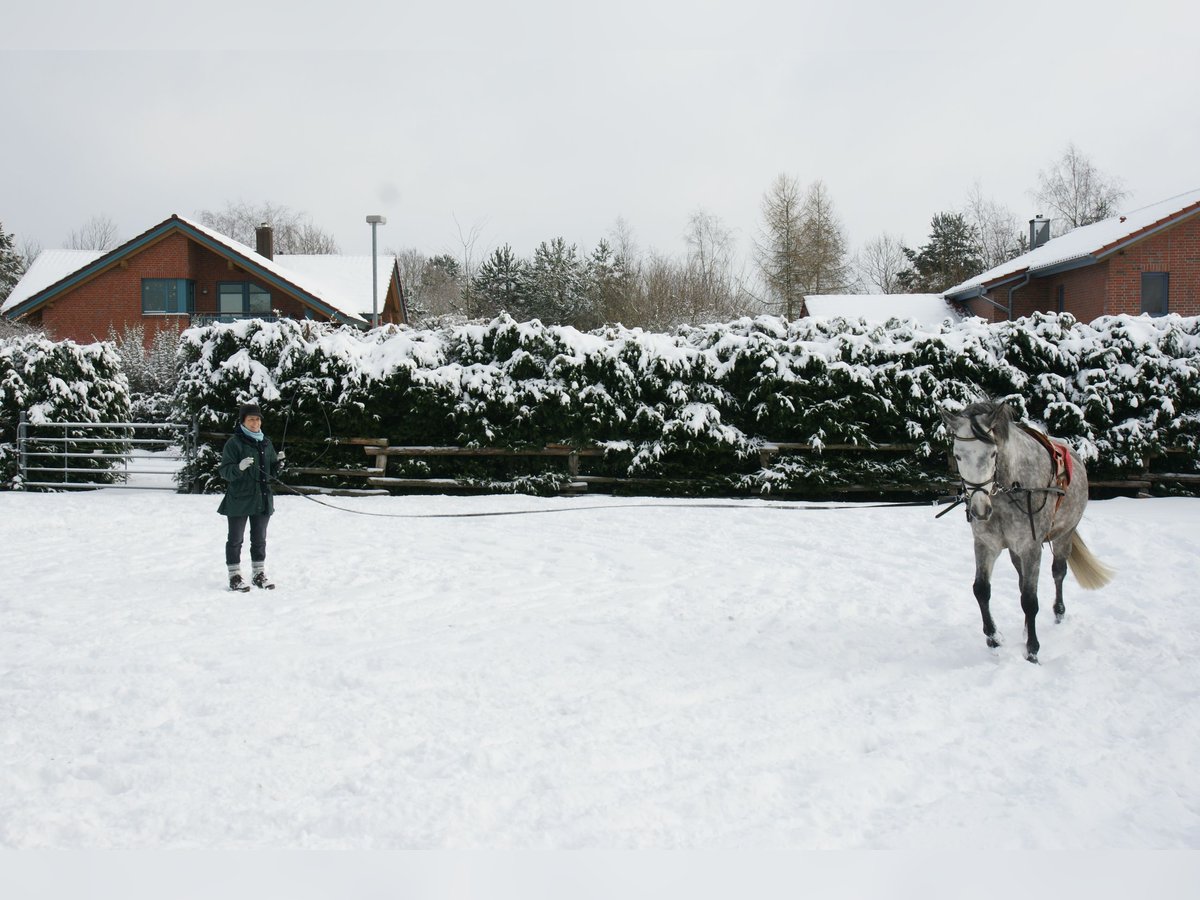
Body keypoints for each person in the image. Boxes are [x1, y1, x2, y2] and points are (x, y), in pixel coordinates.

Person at [218, 403, 283, 591]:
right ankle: (235, 576)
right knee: (235, 539)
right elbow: (225, 472)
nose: (255, 422)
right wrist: (238, 467)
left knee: (259, 538)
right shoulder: (234, 443)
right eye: (251, 419)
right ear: (243, 422)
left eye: (257, 419)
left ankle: (258, 573)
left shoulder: (266, 442)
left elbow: (271, 474)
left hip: (262, 498)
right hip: (239, 498)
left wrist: (278, 465)